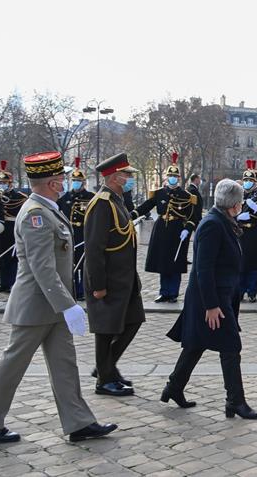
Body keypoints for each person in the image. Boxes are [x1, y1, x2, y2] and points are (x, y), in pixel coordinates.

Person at [0, 151, 116, 444]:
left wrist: (66, 306)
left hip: (55, 307)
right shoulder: (36, 214)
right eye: (60, 179)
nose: (63, 183)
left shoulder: (46, 208)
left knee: (65, 364)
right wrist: (69, 305)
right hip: (36, 306)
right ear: (52, 183)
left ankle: (79, 422)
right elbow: (42, 269)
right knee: (13, 365)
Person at [163, 179, 257, 419]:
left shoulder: (223, 221)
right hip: (210, 299)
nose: (241, 206)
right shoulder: (212, 224)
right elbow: (203, 269)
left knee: (195, 345)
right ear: (234, 204)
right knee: (231, 347)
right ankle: (235, 402)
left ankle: (174, 388)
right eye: (239, 202)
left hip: (220, 295)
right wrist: (211, 305)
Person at [83, 153, 146, 397]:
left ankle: (106, 367)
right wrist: (97, 284)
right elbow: (94, 248)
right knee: (106, 330)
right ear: (115, 177)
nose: (130, 178)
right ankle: (104, 380)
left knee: (133, 321)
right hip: (109, 280)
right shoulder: (102, 203)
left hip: (125, 280)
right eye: (127, 174)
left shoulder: (118, 200)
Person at [133, 153, 200, 303]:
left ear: (179, 179)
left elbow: (192, 217)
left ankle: (173, 293)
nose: (172, 178)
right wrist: (131, 215)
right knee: (163, 262)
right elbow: (146, 206)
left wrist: (187, 229)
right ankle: (164, 292)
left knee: (175, 263)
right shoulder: (159, 193)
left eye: (175, 176)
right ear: (166, 177)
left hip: (177, 231)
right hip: (162, 230)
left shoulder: (186, 195)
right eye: (170, 175)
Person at [57, 157, 94, 301]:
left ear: (84, 183)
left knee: (83, 264)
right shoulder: (66, 197)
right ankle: (73, 290)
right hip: (69, 233)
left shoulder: (90, 197)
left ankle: (82, 290)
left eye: (78, 181)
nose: (76, 183)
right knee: (71, 263)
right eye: (74, 181)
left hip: (83, 233)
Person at [0, 160, 28, 292]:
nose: (2, 185)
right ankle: (4, 284)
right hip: (1, 230)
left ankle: (13, 283)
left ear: (10, 183)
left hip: (13, 229)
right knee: (2, 257)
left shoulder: (19, 197)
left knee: (13, 258)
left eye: (5, 183)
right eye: (1, 183)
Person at [236, 160, 257, 302]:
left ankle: (252, 291)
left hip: (254, 232)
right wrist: (238, 217)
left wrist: (256, 209)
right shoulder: (237, 195)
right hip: (240, 232)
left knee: (253, 263)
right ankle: (240, 290)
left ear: (256, 183)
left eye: (251, 180)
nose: (248, 182)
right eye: (246, 180)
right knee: (241, 264)